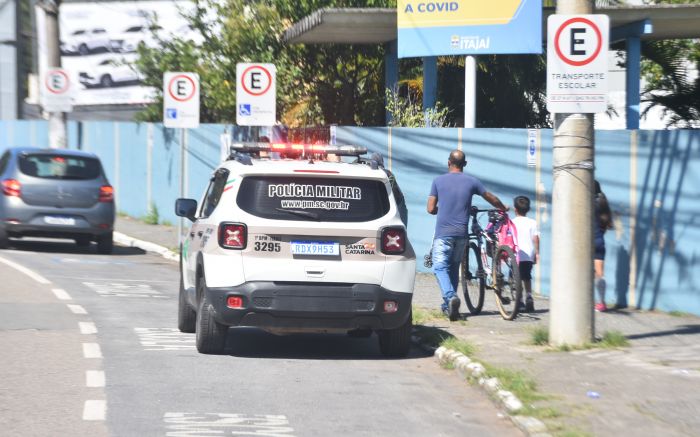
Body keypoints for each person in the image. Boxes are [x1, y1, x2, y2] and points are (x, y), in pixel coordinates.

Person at [427, 149, 507, 321]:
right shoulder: (472, 182)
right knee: (454, 268)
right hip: (462, 234)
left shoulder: (438, 181)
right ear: (465, 164)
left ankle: (450, 297)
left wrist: (444, 209)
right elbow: (489, 197)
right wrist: (503, 207)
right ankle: (448, 306)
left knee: (440, 267)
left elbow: (430, 208)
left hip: (444, 234)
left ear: (449, 162)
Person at [512, 195, 539, 313]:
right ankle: (529, 296)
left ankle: (520, 301)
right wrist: (537, 253)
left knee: (516, 278)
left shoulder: (512, 223)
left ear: (515, 209)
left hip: (515, 255)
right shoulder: (533, 222)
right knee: (527, 276)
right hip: (528, 255)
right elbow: (536, 238)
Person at [594, 180, 613, 312]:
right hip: (600, 239)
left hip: (587, 241)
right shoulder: (602, 203)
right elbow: (606, 225)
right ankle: (602, 302)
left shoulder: (588, 204)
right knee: (600, 273)